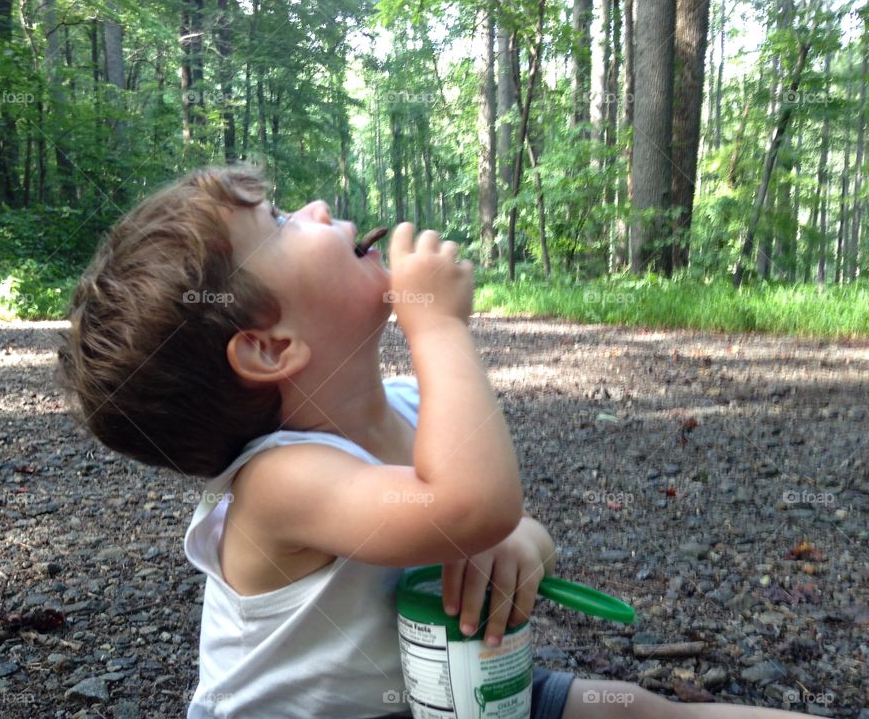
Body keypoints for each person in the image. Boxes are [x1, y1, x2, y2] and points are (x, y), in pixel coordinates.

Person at [56, 164, 821, 719]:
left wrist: (525, 547)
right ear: (268, 347)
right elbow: (468, 506)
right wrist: (441, 326)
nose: (318, 209)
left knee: (639, 710)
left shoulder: (414, 405)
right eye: (283, 223)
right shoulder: (280, 486)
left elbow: (497, 520)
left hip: (451, 693)